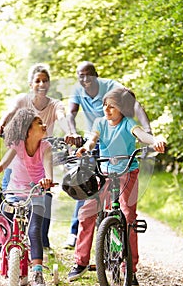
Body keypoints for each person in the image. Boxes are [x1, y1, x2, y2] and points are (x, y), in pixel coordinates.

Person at [67, 88, 166, 285]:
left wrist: (155, 141)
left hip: (127, 173)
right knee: (87, 213)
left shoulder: (129, 123)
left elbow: (141, 135)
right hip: (105, 173)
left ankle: (129, 267)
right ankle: (81, 262)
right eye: (105, 105)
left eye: (112, 106)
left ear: (123, 108)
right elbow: (92, 140)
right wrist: (86, 148)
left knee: (128, 216)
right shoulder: (100, 123)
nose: (107, 109)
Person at [63, 61, 152, 248]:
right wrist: (74, 133)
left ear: (96, 75)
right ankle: (75, 233)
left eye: (88, 74)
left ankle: (116, 237)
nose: (84, 79)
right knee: (85, 185)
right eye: (80, 75)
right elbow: (71, 113)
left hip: (117, 141)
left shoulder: (111, 86)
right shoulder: (78, 90)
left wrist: (148, 130)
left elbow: (134, 104)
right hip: (94, 139)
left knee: (120, 204)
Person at [0, 63, 73, 252]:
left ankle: (42, 241)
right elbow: (9, 113)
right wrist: (0, 125)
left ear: (49, 84)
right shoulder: (22, 100)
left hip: (40, 154)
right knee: (6, 193)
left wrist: (69, 133)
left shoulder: (55, 104)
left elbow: (62, 117)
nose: (41, 84)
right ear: (31, 84)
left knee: (44, 193)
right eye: (37, 81)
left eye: (45, 80)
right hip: (20, 154)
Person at [0, 108, 53, 286]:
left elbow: (48, 168)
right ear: (27, 131)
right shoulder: (17, 145)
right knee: (0, 231)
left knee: (34, 231)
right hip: (14, 193)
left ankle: (38, 273)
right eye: (39, 123)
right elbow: (3, 164)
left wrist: (47, 180)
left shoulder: (46, 147)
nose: (44, 125)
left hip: (36, 195)